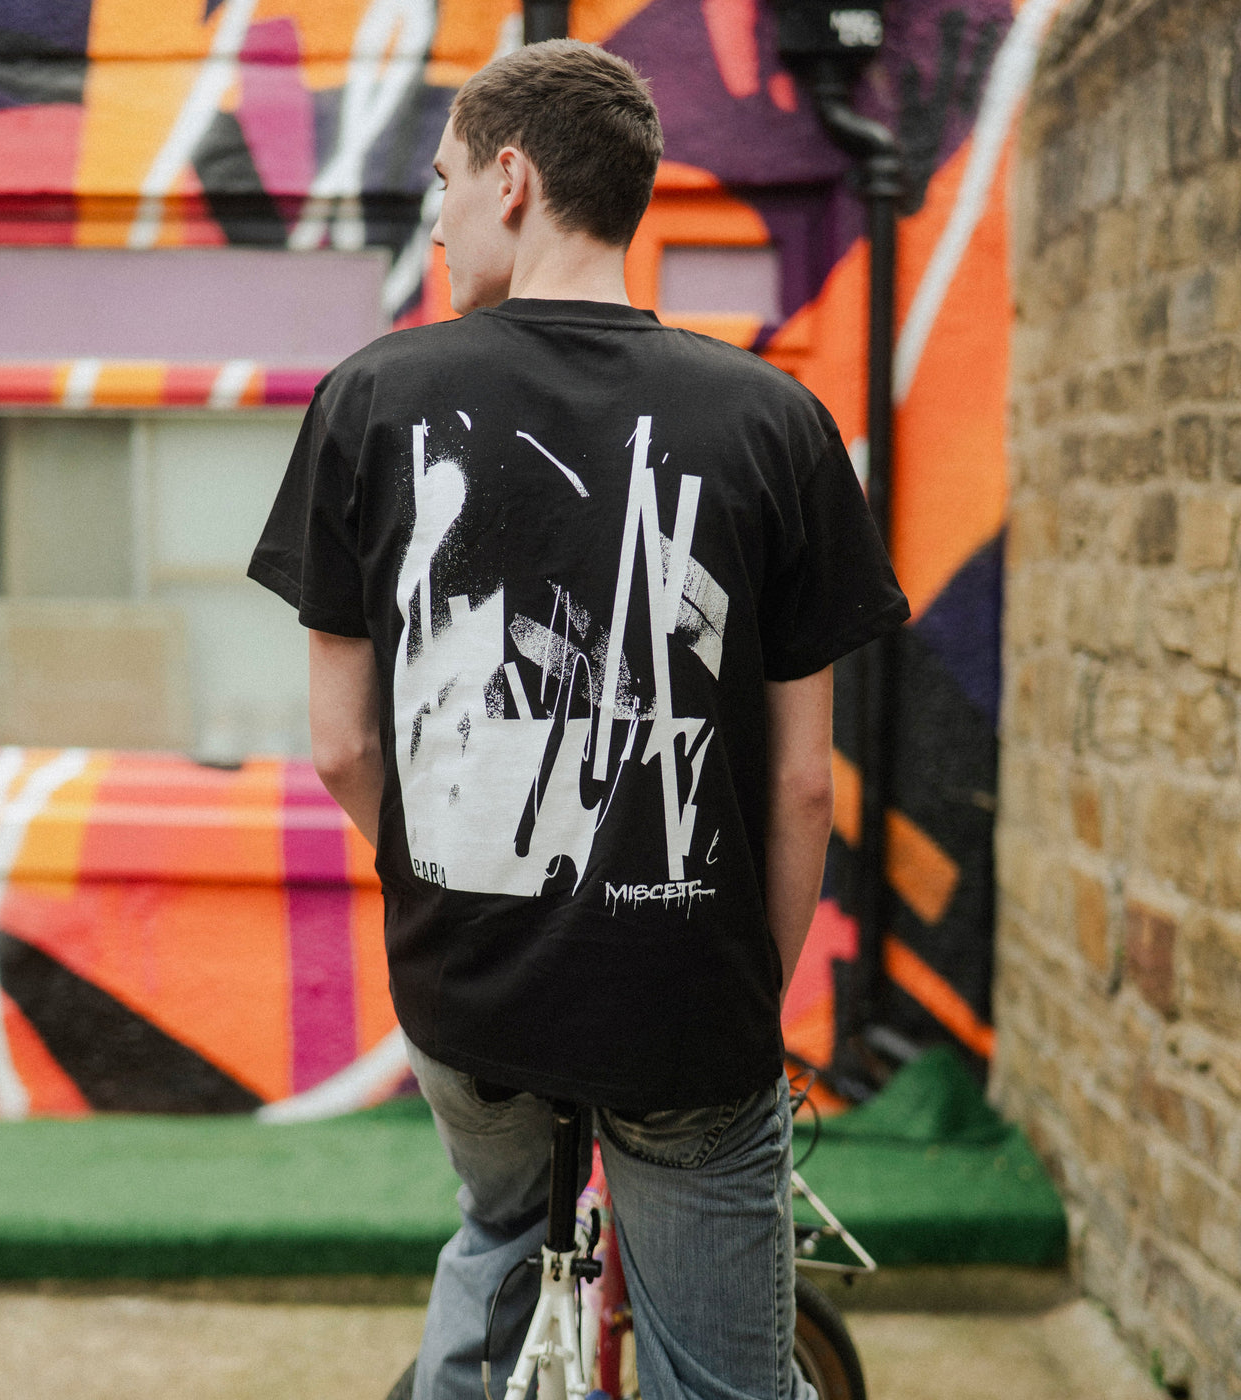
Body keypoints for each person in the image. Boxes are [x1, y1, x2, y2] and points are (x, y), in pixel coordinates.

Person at [249, 38, 907, 1400]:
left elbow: (344, 747)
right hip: (686, 999)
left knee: (498, 1226)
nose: (433, 219)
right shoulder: (777, 422)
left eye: (440, 182)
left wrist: (448, 883)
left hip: (466, 990)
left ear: (512, 177)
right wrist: (742, 991)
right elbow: (796, 790)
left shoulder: (371, 401)